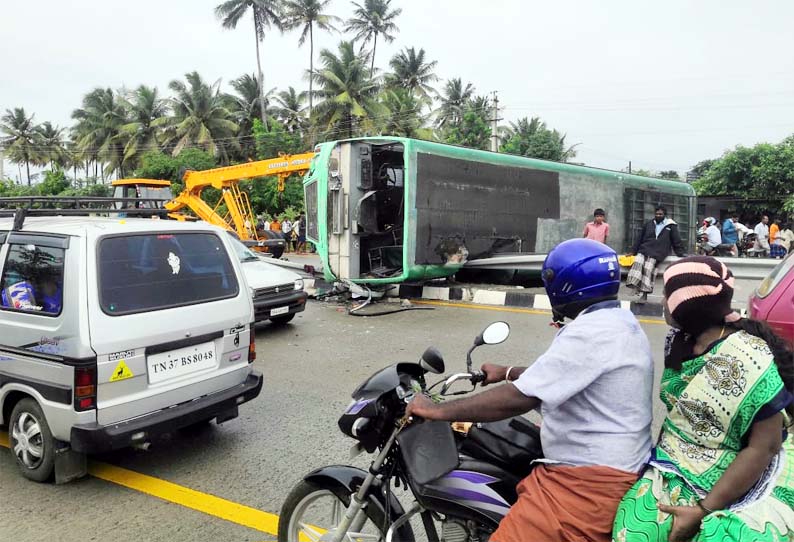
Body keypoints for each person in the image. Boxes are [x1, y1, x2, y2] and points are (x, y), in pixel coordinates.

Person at [407, 239, 654, 542]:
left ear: (563, 285)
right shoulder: (618, 321)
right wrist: (508, 372)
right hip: (613, 469)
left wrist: (436, 410)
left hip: (585, 487)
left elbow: (519, 398)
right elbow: (563, 375)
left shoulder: (589, 333)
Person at [613, 255, 794, 542]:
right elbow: (678, 416)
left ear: (688, 308)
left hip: (741, 467)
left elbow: (765, 447)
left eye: (668, 295)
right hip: (675, 460)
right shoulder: (679, 341)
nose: (662, 301)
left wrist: (703, 509)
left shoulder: (749, 357)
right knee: (632, 532)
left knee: (720, 536)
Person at [626, 206, 687, 302]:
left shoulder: (671, 225)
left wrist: (681, 253)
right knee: (638, 262)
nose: (658, 216)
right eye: (657, 214)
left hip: (658, 252)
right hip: (645, 249)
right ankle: (635, 286)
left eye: (660, 214)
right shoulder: (649, 224)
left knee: (648, 269)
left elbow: (676, 240)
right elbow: (639, 238)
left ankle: (644, 295)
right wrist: (633, 251)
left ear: (664, 215)